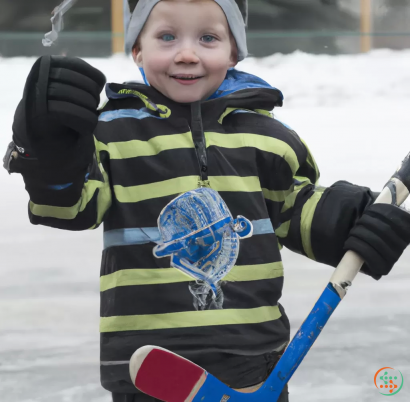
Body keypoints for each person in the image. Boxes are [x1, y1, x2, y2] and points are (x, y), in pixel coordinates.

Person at [4, 1, 410, 401]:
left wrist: (356, 222)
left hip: (252, 358)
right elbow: (68, 208)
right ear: (137, 50)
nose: (186, 53)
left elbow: (293, 209)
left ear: (233, 50)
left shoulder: (267, 136)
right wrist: (49, 153)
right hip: (151, 369)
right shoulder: (110, 134)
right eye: (167, 36)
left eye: (208, 38)